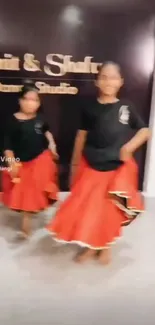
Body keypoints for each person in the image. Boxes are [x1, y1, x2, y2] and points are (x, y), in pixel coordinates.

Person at [46, 62, 150, 264]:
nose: (108, 81)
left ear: (120, 81)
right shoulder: (89, 108)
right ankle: (91, 246)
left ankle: (105, 246)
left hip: (116, 168)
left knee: (109, 211)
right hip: (91, 165)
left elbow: (145, 130)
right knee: (89, 210)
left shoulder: (126, 107)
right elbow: (80, 138)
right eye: (103, 77)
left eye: (113, 77)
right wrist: (74, 167)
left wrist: (129, 147)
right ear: (96, 81)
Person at [2, 81, 59, 239]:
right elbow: (7, 144)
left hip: (40, 160)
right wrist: (11, 161)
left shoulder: (41, 119)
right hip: (21, 163)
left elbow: (47, 132)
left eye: (34, 100)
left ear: (39, 103)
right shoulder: (12, 121)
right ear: (20, 100)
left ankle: (28, 221)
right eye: (27, 99)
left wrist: (52, 144)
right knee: (25, 192)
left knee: (35, 189)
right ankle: (26, 223)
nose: (30, 103)